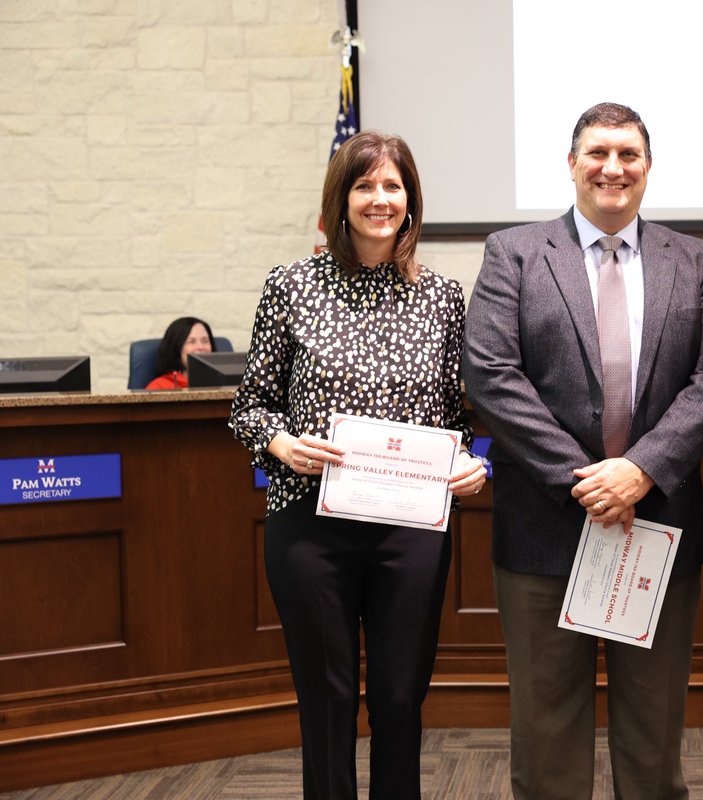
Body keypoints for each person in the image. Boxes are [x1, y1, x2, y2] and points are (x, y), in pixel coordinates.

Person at [463, 102, 703, 799]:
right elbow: (491, 374)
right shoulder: (514, 253)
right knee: (548, 736)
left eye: (629, 154)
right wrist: (586, 480)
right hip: (545, 529)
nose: (612, 167)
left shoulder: (694, 259)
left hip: (659, 525)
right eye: (597, 152)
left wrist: (640, 470)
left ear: (648, 167)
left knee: (653, 737)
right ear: (571, 163)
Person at [229, 130, 487, 800]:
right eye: (364, 185)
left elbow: (454, 420)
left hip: (410, 529)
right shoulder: (290, 286)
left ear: (411, 201)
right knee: (328, 698)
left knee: (400, 698)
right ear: (340, 199)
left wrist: (468, 461)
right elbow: (250, 406)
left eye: (392, 186)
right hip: (310, 525)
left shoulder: (442, 297)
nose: (380, 199)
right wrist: (281, 444)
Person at [144, 316, 214, 389]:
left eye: (205, 341)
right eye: (191, 342)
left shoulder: (222, 385)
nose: (201, 347)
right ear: (176, 347)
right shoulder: (158, 387)